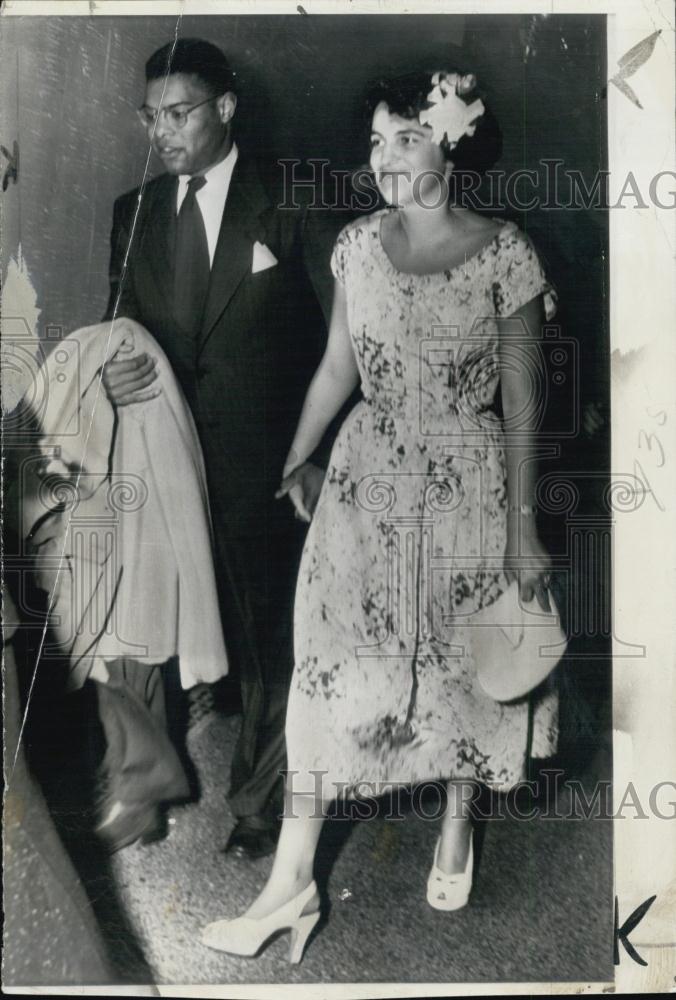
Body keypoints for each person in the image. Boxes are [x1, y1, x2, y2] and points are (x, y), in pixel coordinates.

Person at [201, 68, 559, 962]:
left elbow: (524, 405)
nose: (385, 158)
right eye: (375, 142)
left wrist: (523, 530)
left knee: (462, 665)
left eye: (406, 138)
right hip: (367, 480)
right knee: (325, 664)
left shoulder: (507, 253)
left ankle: (458, 818)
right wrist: (297, 455)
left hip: (468, 485)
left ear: (453, 143)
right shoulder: (357, 245)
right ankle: (290, 883)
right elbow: (339, 368)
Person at [101, 38, 329, 858]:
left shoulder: (293, 198)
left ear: (225, 107)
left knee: (271, 633)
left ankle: (260, 803)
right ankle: (141, 786)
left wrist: (317, 455)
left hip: (265, 463)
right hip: (162, 453)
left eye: (179, 113)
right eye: (150, 116)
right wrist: (110, 373)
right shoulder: (132, 213)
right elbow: (119, 328)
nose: (160, 132)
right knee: (127, 618)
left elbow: (349, 343)